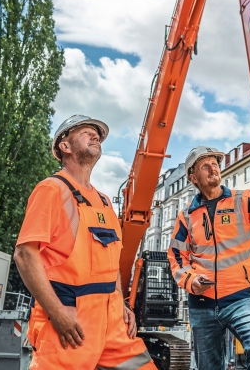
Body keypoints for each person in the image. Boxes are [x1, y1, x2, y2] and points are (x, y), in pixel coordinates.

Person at [14, 115, 155, 370]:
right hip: (70, 320)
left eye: (97, 135)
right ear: (64, 147)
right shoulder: (52, 190)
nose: (95, 137)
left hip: (112, 320)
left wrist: (120, 303)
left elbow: (109, 262)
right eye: (86, 132)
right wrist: (56, 313)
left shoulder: (104, 201)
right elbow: (25, 255)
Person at [167, 146, 250, 370]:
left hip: (242, 298)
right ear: (193, 177)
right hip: (202, 303)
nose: (213, 169)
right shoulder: (186, 216)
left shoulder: (243, 201)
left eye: (215, 164)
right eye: (205, 166)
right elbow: (177, 257)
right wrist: (190, 280)